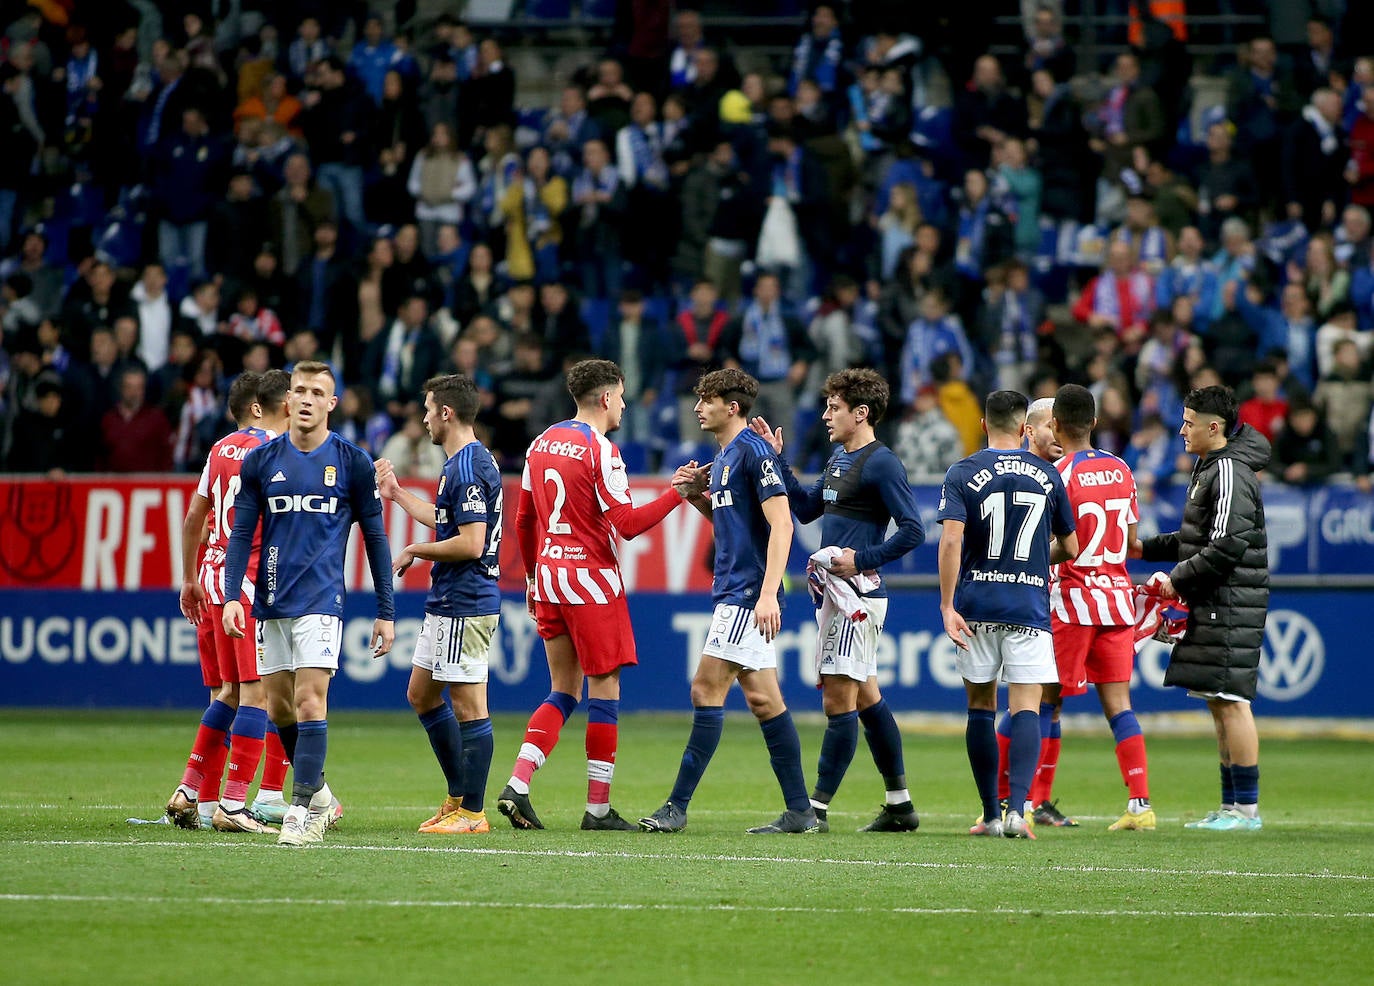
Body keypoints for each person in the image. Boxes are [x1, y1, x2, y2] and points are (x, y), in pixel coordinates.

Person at [498, 359, 694, 831]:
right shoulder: (600, 449)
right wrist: (677, 492)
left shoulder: (541, 442)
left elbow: (524, 521)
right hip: (590, 582)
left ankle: (518, 784)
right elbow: (627, 525)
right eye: (622, 396)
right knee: (604, 692)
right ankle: (598, 810)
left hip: (546, 578)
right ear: (606, 398)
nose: (624, 405)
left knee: (562, 689)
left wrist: (528, 579)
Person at [222, 361, 396, 848]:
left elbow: (376, 538)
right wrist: (234, 594)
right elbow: (241, 533)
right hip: (271, 598)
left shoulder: (352, 462)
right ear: (287, 400)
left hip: (323, 601)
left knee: (307, 700)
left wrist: (386, 609)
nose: (305, 399)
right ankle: (317, 792)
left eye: (317, 392)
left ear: (331, 404)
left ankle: (300, 812)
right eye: (299, 390)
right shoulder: (261, 461)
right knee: (278, 707)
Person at [639, 368, 818, 835]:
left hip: (745, 593)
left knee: (705, 688)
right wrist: (698, 496)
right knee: (763, 699)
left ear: (731, 407)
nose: (698, 407)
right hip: (737, 589)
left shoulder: (755, 452)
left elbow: (782, 524)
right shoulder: (722, 458)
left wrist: (765, 595)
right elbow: (732, 522)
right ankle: (800, 811)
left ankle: (676, 807)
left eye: (707, 400)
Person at [748, 368, 926, 832]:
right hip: (837, 593)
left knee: (838, 701)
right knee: (867, 696)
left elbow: (913, 530)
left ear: (860, 413)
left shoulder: (882, 463)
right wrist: (776, 461)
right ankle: (901, 807)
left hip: (857, 595)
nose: (826, 415)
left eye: (834, 408)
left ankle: (814, 811)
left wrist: (861, 558)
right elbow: (807, 508)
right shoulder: (838, 459)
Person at [1013, 387, 1155, 831]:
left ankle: (1031, 802)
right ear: (1094, 422)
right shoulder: (1122, 468)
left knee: (1045, 703)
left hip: (1072, 601)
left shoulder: (1058, 474)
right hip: (1117, 600)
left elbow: (1058, 546)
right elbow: (1132, 542)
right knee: (1119, 705)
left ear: (1054, 426)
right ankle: (1140, 805)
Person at [937, 390, 1077, 838]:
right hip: (1028, 606)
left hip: (977, 604)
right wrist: (1036, 559)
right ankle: (1019, 810)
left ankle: (990, 815)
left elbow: (952, 541)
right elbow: (1071, 547)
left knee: (980, 707)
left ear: (982, 425)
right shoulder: (1048, 474)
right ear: (1024, 429)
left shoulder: (962, 471)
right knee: (1026, 707)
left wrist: (946, 604)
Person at [1131, 385, 1270, 831]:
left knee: (1232, 700)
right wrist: (1143, 548)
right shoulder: (1210, 467)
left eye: (1189, 422)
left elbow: (1228, 544)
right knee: (1218, 700)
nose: (1182, 429)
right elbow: (1195, 538)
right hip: (1214, 598)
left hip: (1230, 599)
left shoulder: (1229, 470)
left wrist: (1176, 578)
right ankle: (1230, 806)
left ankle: (1245, 810)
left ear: (1215, 427)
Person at [376, 374, 501, 836]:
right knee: (422, 694)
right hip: (450, 597)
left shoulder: (466, 466)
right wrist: (397, 496)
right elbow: (448, 522)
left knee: (469, 704)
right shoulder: (462, 462)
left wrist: (413, 550)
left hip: (465, 599)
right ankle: (457, 797)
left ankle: (473, 812)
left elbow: (470, 543)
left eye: (428, 409)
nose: (425, 417)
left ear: (446, 413)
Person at [166, 370, 291, 833]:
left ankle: (192, 792)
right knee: (258, 693)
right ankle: (237, 805)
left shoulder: (219, 449)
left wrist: (188, 576)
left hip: (214, 579)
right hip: (252, 583)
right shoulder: (273, 450)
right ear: (259, 406)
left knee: (228, 692)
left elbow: (195, 514)